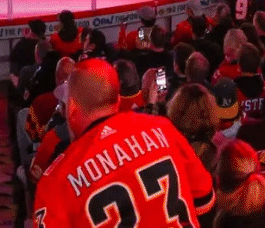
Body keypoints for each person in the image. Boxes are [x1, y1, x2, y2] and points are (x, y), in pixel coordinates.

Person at [32, 60, 216, 227]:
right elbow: (204, 201)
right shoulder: (163, 128)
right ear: (118, 100)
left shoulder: (55, 180)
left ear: (71, 108)